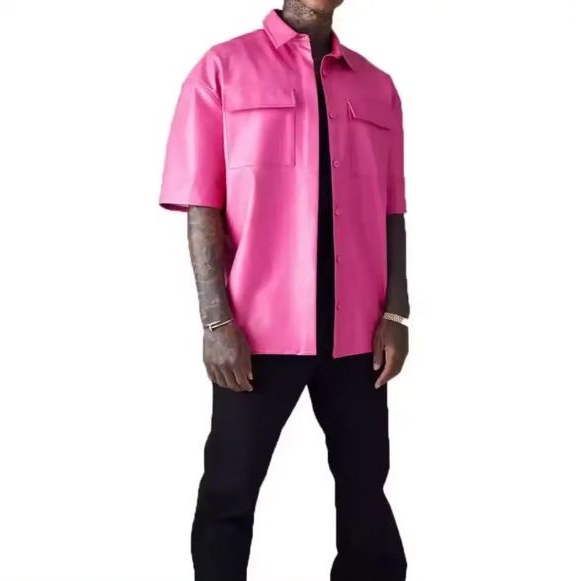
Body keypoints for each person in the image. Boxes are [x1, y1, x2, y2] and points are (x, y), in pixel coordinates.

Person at [158, 1, 410, 579]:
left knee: (365, 495)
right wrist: (217, 323)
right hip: (258, 331)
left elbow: (392, 210)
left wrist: (396, 314)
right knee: (230, 490)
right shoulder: (222, 69)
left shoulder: (378, 87)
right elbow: (201, 205)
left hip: (358, 333)